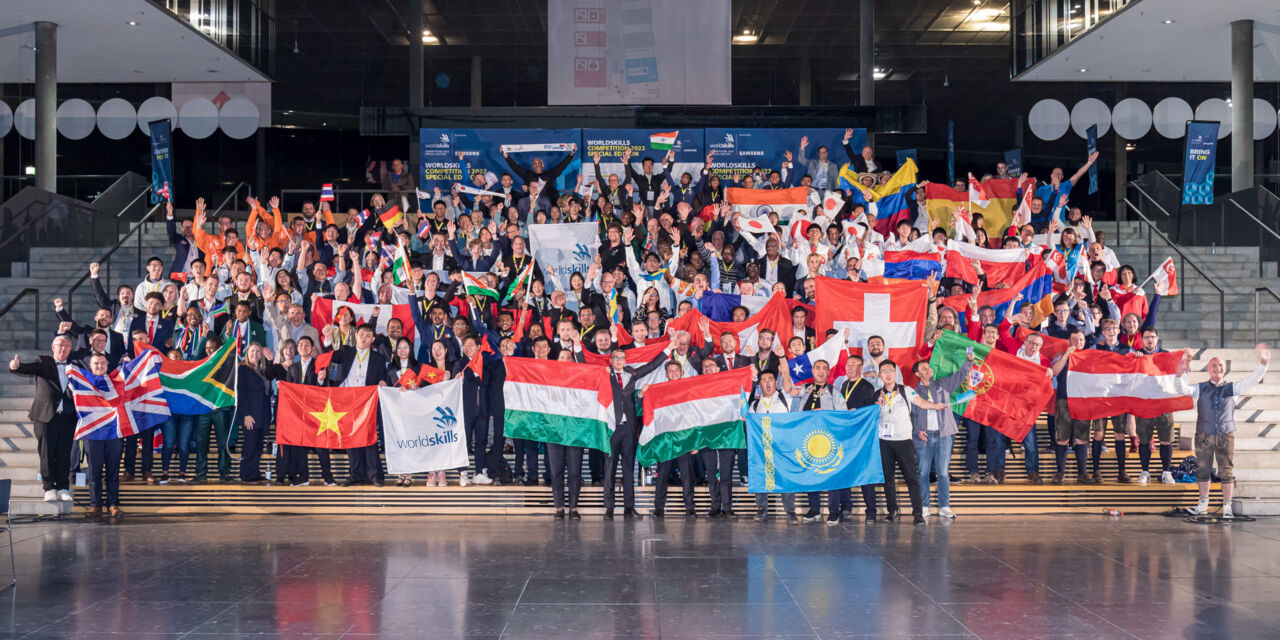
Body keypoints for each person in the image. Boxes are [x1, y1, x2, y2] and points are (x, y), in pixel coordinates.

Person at [1173, 343, 1271, 518]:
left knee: (1226, 471)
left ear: (1225, 370)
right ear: (1208, 369)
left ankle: (1227, 507)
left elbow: (1252, 380)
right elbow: (1182, 389)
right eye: (1214, 365)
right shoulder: (1200, 388)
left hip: (1226, 434)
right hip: (1203, 434)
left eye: (1220, 366)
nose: (1217, 368)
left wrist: (1263, 365)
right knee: (1203, 470)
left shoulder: (1233, 388)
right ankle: (1203, 504)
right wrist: (1180, 373)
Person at [872, 360, 949, 524]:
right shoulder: (876, 394)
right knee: (888, 479)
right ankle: (892, 511)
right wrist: (876, 407)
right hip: (884, 441)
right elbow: (870, 417)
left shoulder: (906, 391)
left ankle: (918, 513)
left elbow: (920, 402)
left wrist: (935, 405)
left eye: (890, 370)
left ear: (895, 373)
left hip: (904, 441)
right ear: (879, 375)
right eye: (883, 371)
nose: (887, 374)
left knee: (912, 478)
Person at [9, 336, 77, 502]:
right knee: (46, 452)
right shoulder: (44, 361)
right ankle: (49, 488)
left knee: (64, 453)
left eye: (67, 346)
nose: (63, 348)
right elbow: (29, 368)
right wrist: (16, 366)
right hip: (45, 415)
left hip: (67, 417)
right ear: (53, 347)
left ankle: (62, 487)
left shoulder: (74, 366)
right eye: (60, 345)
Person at [322, 324, 389, 486]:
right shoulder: (346, 352)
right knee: (351, 438)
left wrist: (384, 381)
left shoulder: (378, 358)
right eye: (361, 334)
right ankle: (356, 474)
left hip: (367, 402)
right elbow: (328, 358)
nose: (364, 338)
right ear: (356, 336)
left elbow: (384, 378)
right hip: (346, 401)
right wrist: (328, 339)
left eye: (368, 335)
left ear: (372, 339)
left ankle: (375, 475)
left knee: (369, 437)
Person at [76, 353, 124, 518]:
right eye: (96, 363)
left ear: (107, 364)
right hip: (93, 433)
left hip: (113, 433)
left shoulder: (116, 382)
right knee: (95, 471)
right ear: (90, 365)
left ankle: (113, 504)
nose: (99, 366)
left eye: (103, 363)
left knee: (113, 471)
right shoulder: (83, 382)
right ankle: (95, 505)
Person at [650, 361, 697, 519]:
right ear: (666, 374)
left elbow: (696, 417)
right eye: (670, 371)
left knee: (687, 475)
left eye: (677, 370)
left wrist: (695, 441)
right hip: (666, 439)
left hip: (684, 439)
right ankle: (659, 507)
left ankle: (690, 507)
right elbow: (654, 416)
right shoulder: (659, 391)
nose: (674, 373)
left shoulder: (690, 391)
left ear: (682, 372)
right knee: (662, 474)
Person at [750, 369, 798, 523]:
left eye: (770, 379)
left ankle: (790, 511)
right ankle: (762, 509)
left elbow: (787, 377)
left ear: (775, 382)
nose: (767, 383)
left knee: (786, 479)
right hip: (762, 449)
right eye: (763, 380)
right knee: (761, 478)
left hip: (783, 448)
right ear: (760, 385)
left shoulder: (785, 397)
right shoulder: (755, 404)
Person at [236, 342, 273, 484]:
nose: (255, 354)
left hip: (263, 414)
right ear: (247, 353)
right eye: (252, 351)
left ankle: (255, 473)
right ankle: (246, 474)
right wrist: (246, 414)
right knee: (250, 445)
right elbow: (241, 393)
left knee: (258, 446)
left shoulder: (263, 371)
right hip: (251, 414)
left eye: (258, 351)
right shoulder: (243, 369)